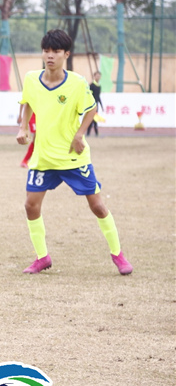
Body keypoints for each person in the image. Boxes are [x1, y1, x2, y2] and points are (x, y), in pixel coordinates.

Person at [16, 29, 132, 276]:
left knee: (97, 206)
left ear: (66, 54)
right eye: (46, 51)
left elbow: (91, 109)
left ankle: (118, 255)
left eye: (56, 51)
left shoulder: (77, 83)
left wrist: (79, 135)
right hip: (44, 158)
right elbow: (27, 103)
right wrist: (23, 127)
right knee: (30, 205)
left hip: (72, 157)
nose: (50, 56)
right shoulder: (31, 79)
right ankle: (42, 257)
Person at [87, 71, 102, 137]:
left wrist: (101, 105)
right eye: (97, 76)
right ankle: (92, 133)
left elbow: (98, 97)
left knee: (94, 119)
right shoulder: (91, 85)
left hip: (96, 105)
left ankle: (94, 133)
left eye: (99, 76)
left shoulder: (99, 86)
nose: (98, 77)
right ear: (94, 76)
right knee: (91, 119)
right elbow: (89, 95)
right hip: (91, 105)